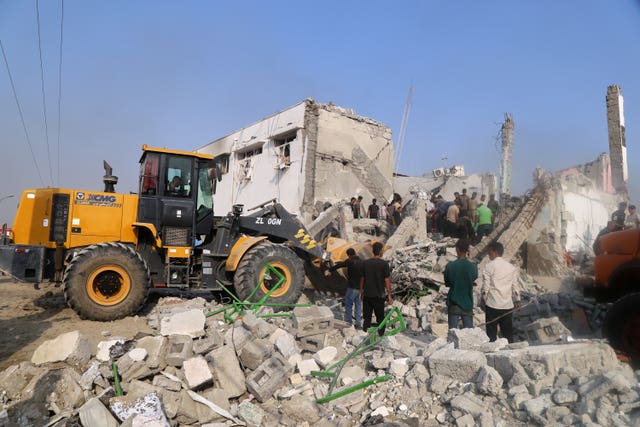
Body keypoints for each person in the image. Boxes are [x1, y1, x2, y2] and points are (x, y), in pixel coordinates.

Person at [481, 242, 520, 343]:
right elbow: (515, 286)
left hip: (492, 305)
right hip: (507, 306)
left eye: (489, 251)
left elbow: (486, 287)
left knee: (491, 335)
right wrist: (518, 300)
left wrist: (483, 299)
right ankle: (510, 352)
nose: (488, 253)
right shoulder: (511, 267)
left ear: (494, 251)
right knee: (507, 333)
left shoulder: (489, 266)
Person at [443, 238, 477, 329]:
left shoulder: (450, 266)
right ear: (467, 250)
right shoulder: (473, 267)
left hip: (454, 303)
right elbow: (474, 278)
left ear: (457, 249)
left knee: (452, 332)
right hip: (467, 303)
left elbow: (447, 283)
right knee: (469, 333)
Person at [360, 241, 392, 336]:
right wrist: (389, 295)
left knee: (367, 317)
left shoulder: (365, 263)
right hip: (379, 295)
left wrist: (360, 292)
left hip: (367, 295)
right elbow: (387, 280)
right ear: (381, 251)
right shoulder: (384, 264)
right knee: (380, 318)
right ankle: (381, 335)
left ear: (373, 251)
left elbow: (362, 278)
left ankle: (365, 335)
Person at [325, 248, 363, 327]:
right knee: (358, 305)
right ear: (355, 253)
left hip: (352, 288)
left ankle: (348, 323)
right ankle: (358, 324)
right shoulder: (362, 262)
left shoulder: (349, 261)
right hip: (360, 289)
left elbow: (339, 265)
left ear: (348, 255)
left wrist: (329, 270)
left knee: (349, 305)